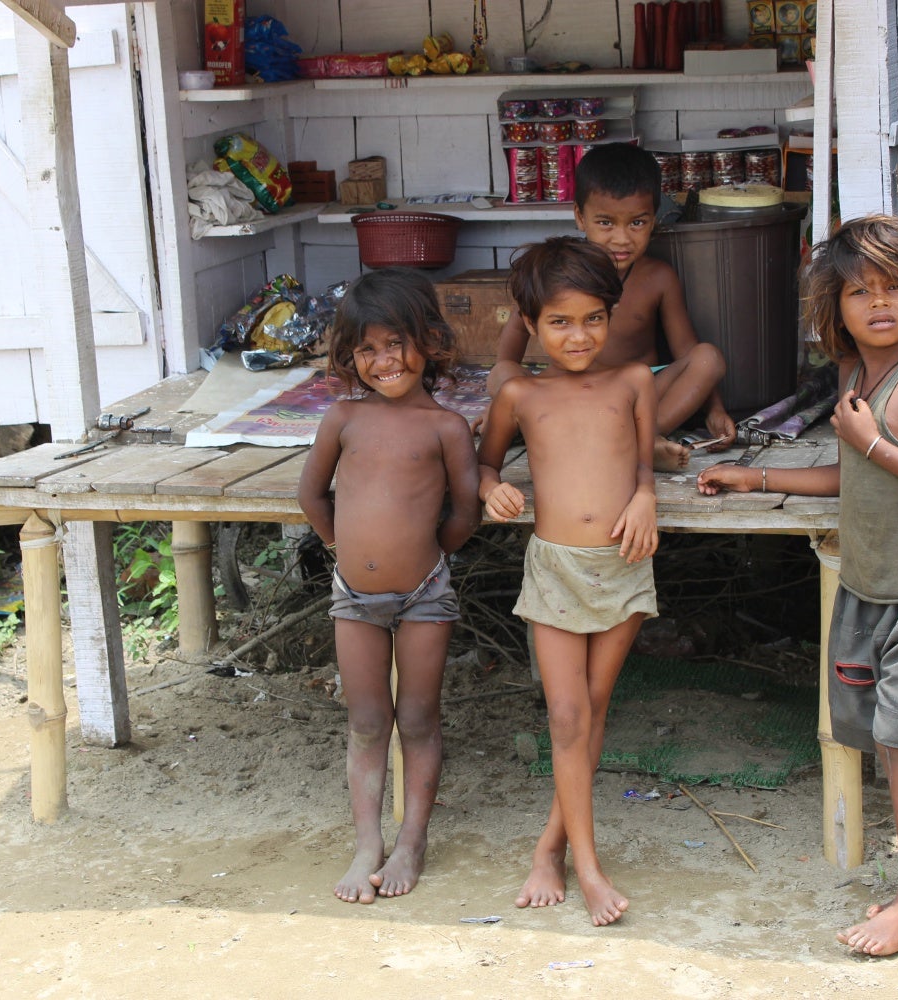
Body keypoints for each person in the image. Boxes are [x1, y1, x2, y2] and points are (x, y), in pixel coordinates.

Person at [697, 215, 898, 956]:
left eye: (895, 289)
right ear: (835, 307)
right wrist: (755, 474)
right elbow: (850, 475)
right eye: (860, 292)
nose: (879, 304)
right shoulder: (856, 376)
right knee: (890, 747)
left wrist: (874, 441)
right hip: (867, 587)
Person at [477, 237, 659, 927]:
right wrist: (492, 490)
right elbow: (485, 466)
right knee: (566, 715)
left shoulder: (634, 380)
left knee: (594, 706)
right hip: (554, 565)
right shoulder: (520, 394)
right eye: (559, 322)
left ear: (610, 316)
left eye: (592, 318)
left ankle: (547, 849)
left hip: (622, 562)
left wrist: (646, 498)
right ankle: (587, 866)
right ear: (529, 325)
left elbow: (645, 469)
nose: (578, 335)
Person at [297, 268, 481, 905]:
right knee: (368, 719)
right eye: (367, 348)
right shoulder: (343, 418)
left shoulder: (446, 428)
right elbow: (310, 493)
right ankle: (367, 842)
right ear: (349, 356)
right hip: (353, 594)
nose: (384, 360)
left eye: (397, 342)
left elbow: (465, 509)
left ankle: (412, 840)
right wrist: (342, 545)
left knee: (419, 717)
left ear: (429, 341)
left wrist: (435, 552)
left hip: (426, 593)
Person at [486, 142, 735, 471]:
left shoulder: (657, 278)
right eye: (605, 223)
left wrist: (713, 409)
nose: (621, 239)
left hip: (632, 395)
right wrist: (500, 407)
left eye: (636, 223)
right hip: (562, 391)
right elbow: (511, 347)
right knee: (502, 373)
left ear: (653, 220)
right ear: (580, 216)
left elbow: (688, 353)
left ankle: (639, 440)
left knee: (708, 358)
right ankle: (629, 444)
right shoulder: (558, 272)